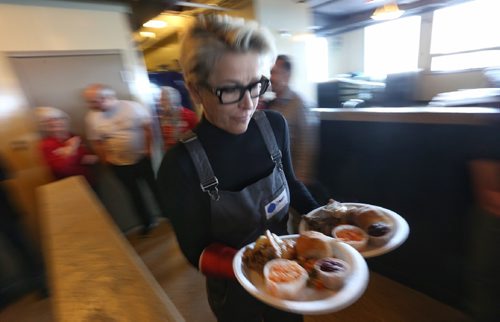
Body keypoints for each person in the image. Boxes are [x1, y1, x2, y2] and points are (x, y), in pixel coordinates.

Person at [157, 14, 319, 322]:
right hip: (235, 295)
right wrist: (261, 267)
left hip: (290, 280)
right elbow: (196, 251)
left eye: (256, 85)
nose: (249, 103)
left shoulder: (275, 126)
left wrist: (325, 224)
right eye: (230, 90)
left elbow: (293, 186)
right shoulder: (179, 165)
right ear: (195, 90)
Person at [83, 84, 161, 235]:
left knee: (155, 187)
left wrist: (149, 149)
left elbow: (148, 128)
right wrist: (105, 159)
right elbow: (96, 141)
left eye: (94, 101)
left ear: (107, 97)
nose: (91, 105)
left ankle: (168, 214)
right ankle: (147, 222)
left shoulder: (132, 107)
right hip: (118, 164)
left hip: (142, 159)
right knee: (133, 194)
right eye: (89, 102)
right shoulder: (91, 117)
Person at [36, 107, 97, 185]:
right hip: (72, 184)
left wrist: (87, 158)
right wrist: (72, 148)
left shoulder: (72, 136)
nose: (55, 123)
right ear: (45, 126)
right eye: (49, 121)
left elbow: (83, 156)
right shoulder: (47, 144)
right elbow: (63, 169)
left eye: (58, 119)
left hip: (88, 179)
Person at [158, 86, 198, 151]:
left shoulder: (190, 116)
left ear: (173, 100)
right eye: (160, 100)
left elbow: (198, 138)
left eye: (164, 100)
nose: (160, 103)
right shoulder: (162, 118)